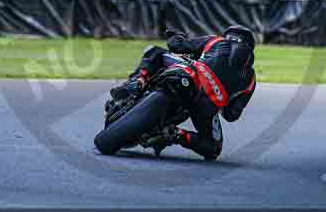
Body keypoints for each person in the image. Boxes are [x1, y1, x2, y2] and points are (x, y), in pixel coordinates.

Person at [109, 25, 257, 160]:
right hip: (207, 105)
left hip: (193, 75)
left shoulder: (216, 41)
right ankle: (177, 134)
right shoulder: (251, 79)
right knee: (213, 148)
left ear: (228, 35)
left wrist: (175, 35)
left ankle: (137, 82)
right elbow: (232, 115)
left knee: (155, 51)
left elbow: (177, 45)